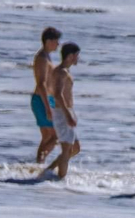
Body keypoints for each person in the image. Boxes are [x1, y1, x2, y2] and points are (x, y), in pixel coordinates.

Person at [40, 43, 81, 181]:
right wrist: (67, 114)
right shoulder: (62, 72)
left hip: (63, 111)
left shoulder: (60, 71)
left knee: (75, 148)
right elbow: (57, 94)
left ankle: (48, 170)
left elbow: (50, 92)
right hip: (63, 112)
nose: (78, 58)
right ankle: (60, 179)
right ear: (70, 56)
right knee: (67, 149)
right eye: (76, 55)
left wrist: (52, 110)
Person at [31, 27, 62, 164]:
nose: (58, 44)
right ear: (48, 41)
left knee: (46, 137)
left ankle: (38, 164)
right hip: (41, 99)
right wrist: (48, 107)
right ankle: (40, 162)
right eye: (56, 41)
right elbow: (41, 84)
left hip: (45, 99)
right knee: (56, 136)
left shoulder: (46, 56)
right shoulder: (42, 58)